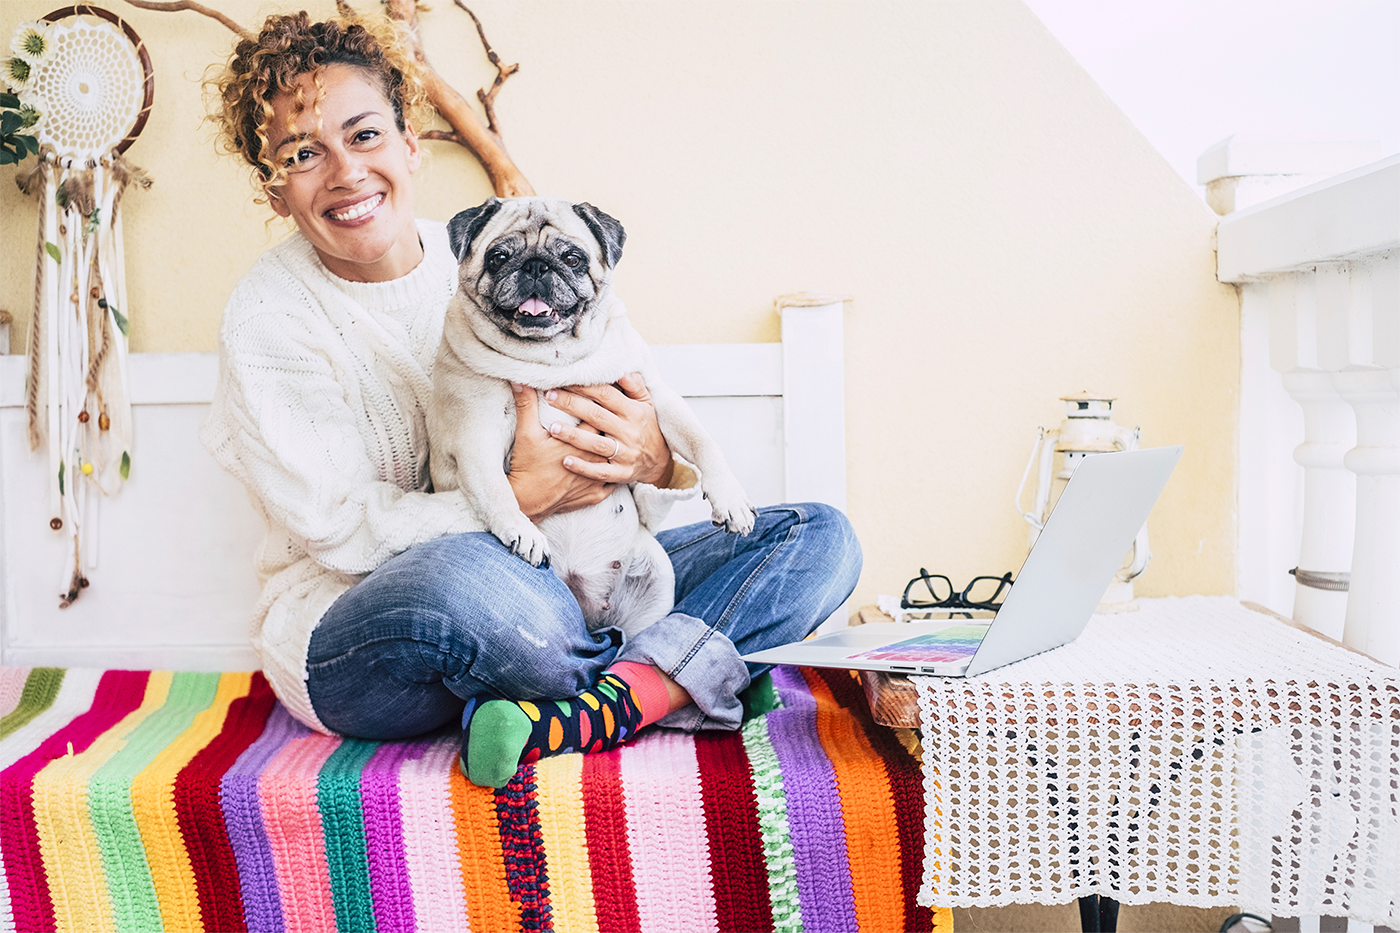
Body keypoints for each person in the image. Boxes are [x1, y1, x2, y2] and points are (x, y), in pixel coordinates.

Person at [202, 10, 862, 788]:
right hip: (369, 625)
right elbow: (342, 534)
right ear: (274, 190)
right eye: (303, 154)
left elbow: (618, 492)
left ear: (411, 142)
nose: (345, 170)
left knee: (819, 539)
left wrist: (657, 465)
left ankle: (604, 700)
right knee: (484, 591)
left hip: (560, 572)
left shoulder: (493, 247)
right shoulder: (269, 318)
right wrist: (520, 496)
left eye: (365, 134)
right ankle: (687, 670)